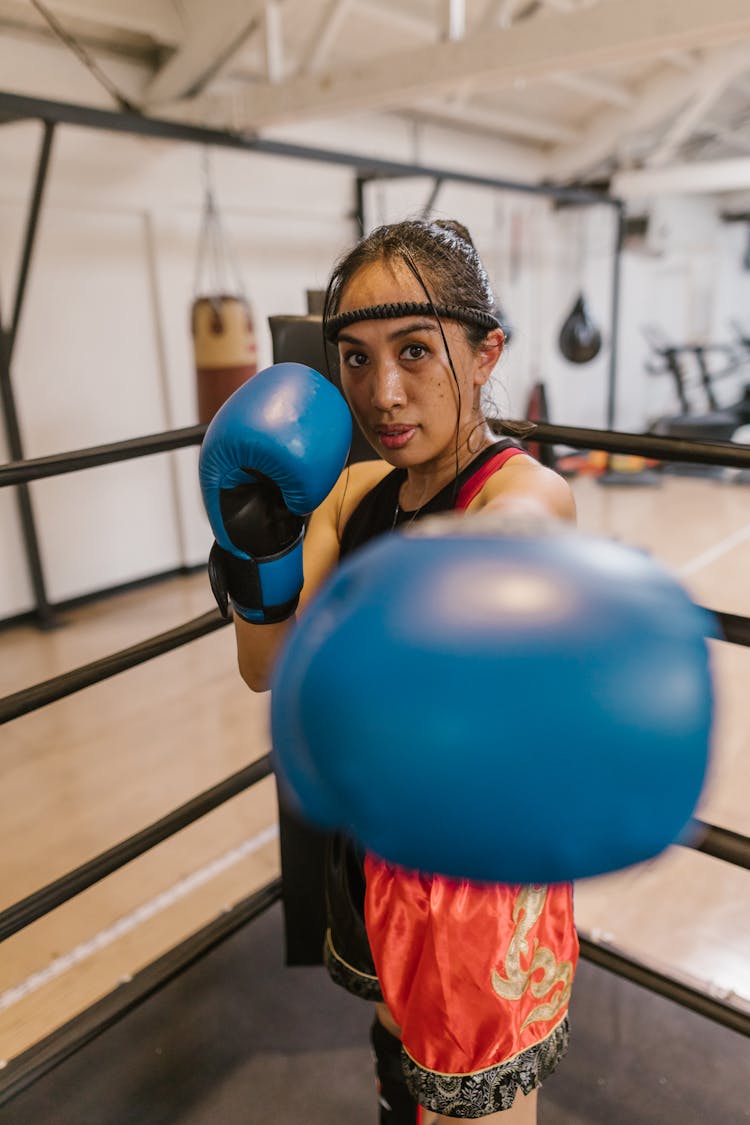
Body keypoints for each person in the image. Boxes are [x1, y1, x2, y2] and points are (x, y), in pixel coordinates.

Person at [216, 219, 579, 1123]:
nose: (383, 392)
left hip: (475, 874)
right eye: (355, 357)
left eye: (416, 351)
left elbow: (516, 539)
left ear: (486, 351)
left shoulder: (521, 492)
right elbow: (264, 669)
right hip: (375, 844)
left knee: (471, 1096)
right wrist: (255, 551)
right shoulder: (350, 495)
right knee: (397, 1057)